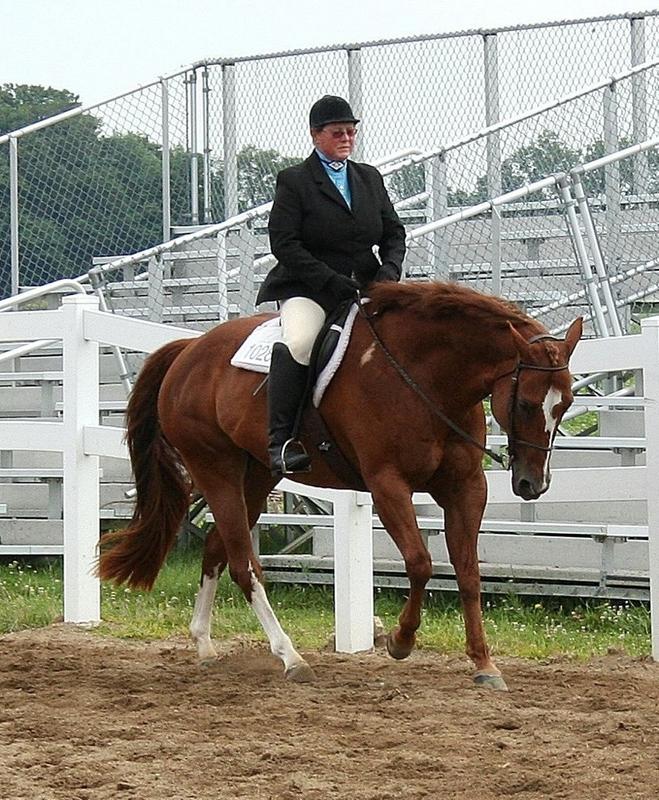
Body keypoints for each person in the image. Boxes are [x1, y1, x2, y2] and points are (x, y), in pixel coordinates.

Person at [256, 94, 406, 476]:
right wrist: (328, 280)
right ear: (315, 134)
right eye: (338, 132)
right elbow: (284, 244)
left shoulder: (369, 177)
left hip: (367, 285)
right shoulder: (294, 181)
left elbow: (393, 232)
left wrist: (389, 271)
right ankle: (282, 441)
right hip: (310, 288)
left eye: (351, 132)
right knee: (300, 342)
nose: (347, 139)